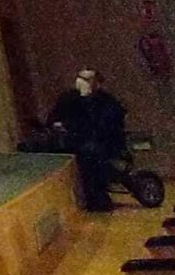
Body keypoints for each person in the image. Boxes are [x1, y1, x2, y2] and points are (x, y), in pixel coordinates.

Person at [47, 68, 127, 211]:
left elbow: (105, 125)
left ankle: (97, 198)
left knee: (91, 153)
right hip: (73, 140)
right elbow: (54, 117)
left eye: (87, 79)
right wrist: (57, 125)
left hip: (100, 142)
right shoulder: (68, 97)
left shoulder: (106, 101)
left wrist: (85, 101)